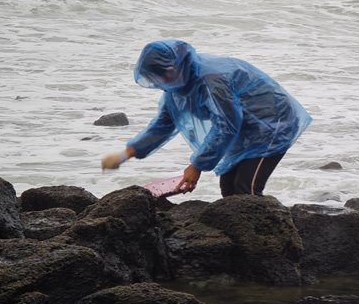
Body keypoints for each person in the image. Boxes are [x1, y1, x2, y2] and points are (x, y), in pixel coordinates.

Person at [101, 40, 312, 197]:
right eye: (156, 81)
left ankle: (268, 246)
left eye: (162, 77)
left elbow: (227, 126)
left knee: (246, 190)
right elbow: (164, 124)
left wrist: (197, 166)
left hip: (273, 123)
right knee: (228, 190)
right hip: (245, 130)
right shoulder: (175, 88)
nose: (161, 84)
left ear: (174, 67)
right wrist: (126, 154)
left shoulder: (211, 79)